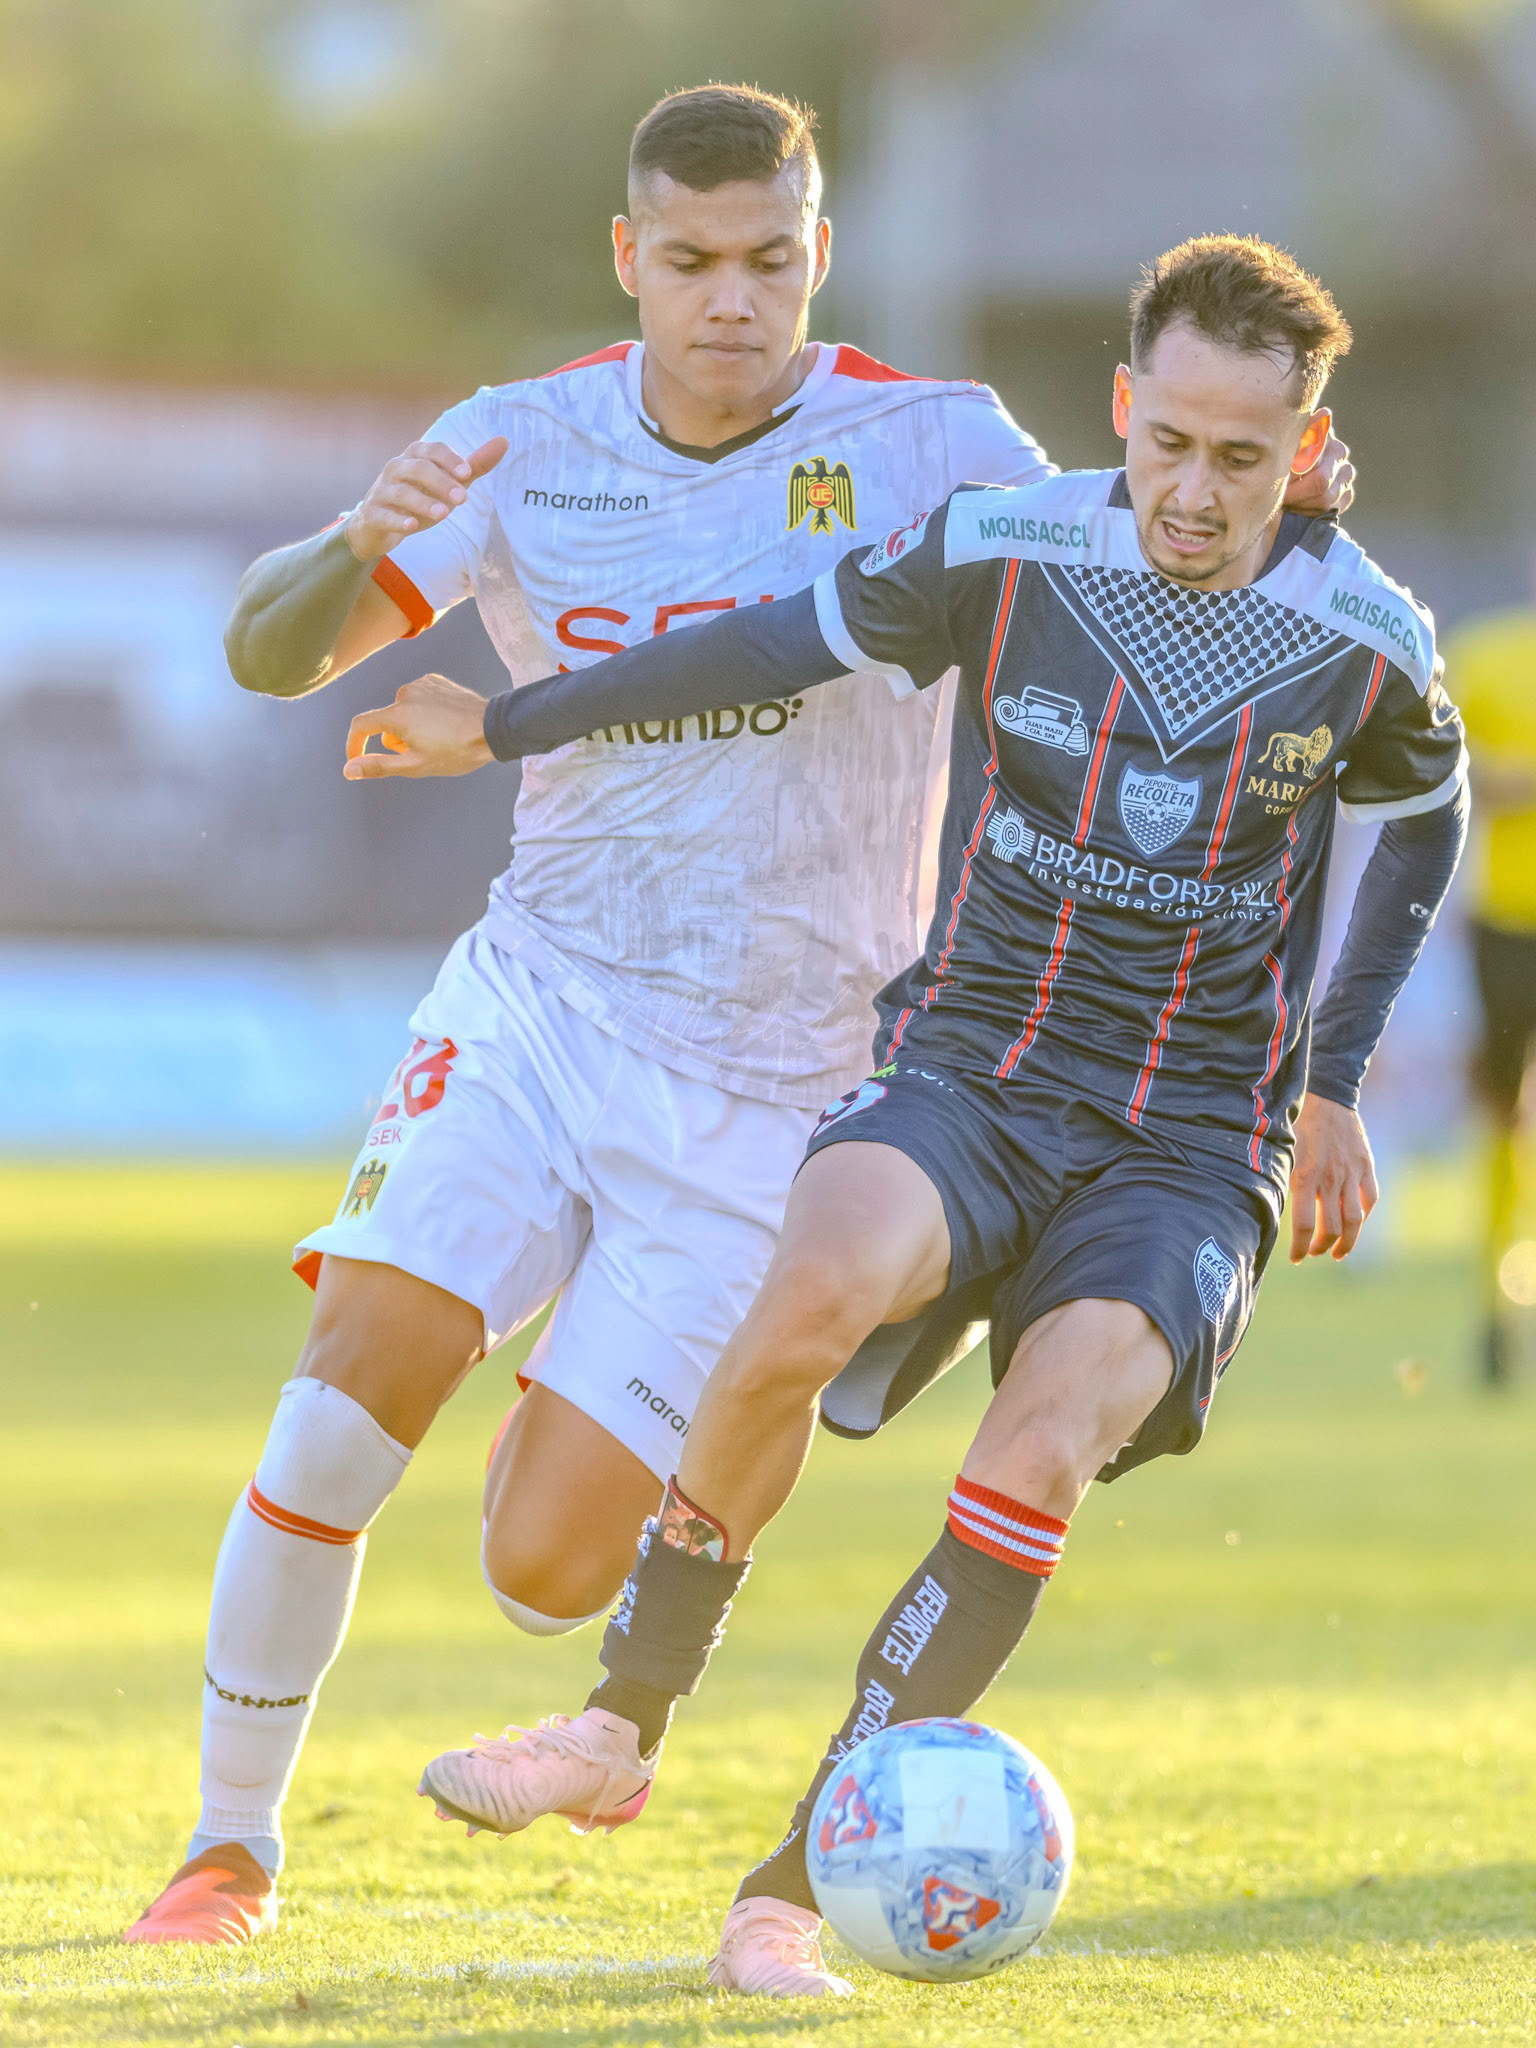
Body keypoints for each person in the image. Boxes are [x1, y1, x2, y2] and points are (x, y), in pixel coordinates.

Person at [363, 236, 1466, 1997]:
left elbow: (1424, 815)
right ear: (1123, 409)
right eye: (1168, 441)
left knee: (1034, 1447)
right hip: (976, 1063)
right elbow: (763, 650)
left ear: (1306, 446)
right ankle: (619, 1719)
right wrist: (508, 719)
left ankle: (795, 1877)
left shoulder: (1363, 637)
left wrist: (1330, 1076)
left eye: (1241, 459)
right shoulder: (1006, 545)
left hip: (1190, 1143)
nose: (1194, 490)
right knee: (798, 1297)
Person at [1443, 590, 1536, 1384]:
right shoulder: (1490, 651)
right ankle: (1495, 1297)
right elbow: (1450, 765)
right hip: (1507, 924)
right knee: (1502, 1117)